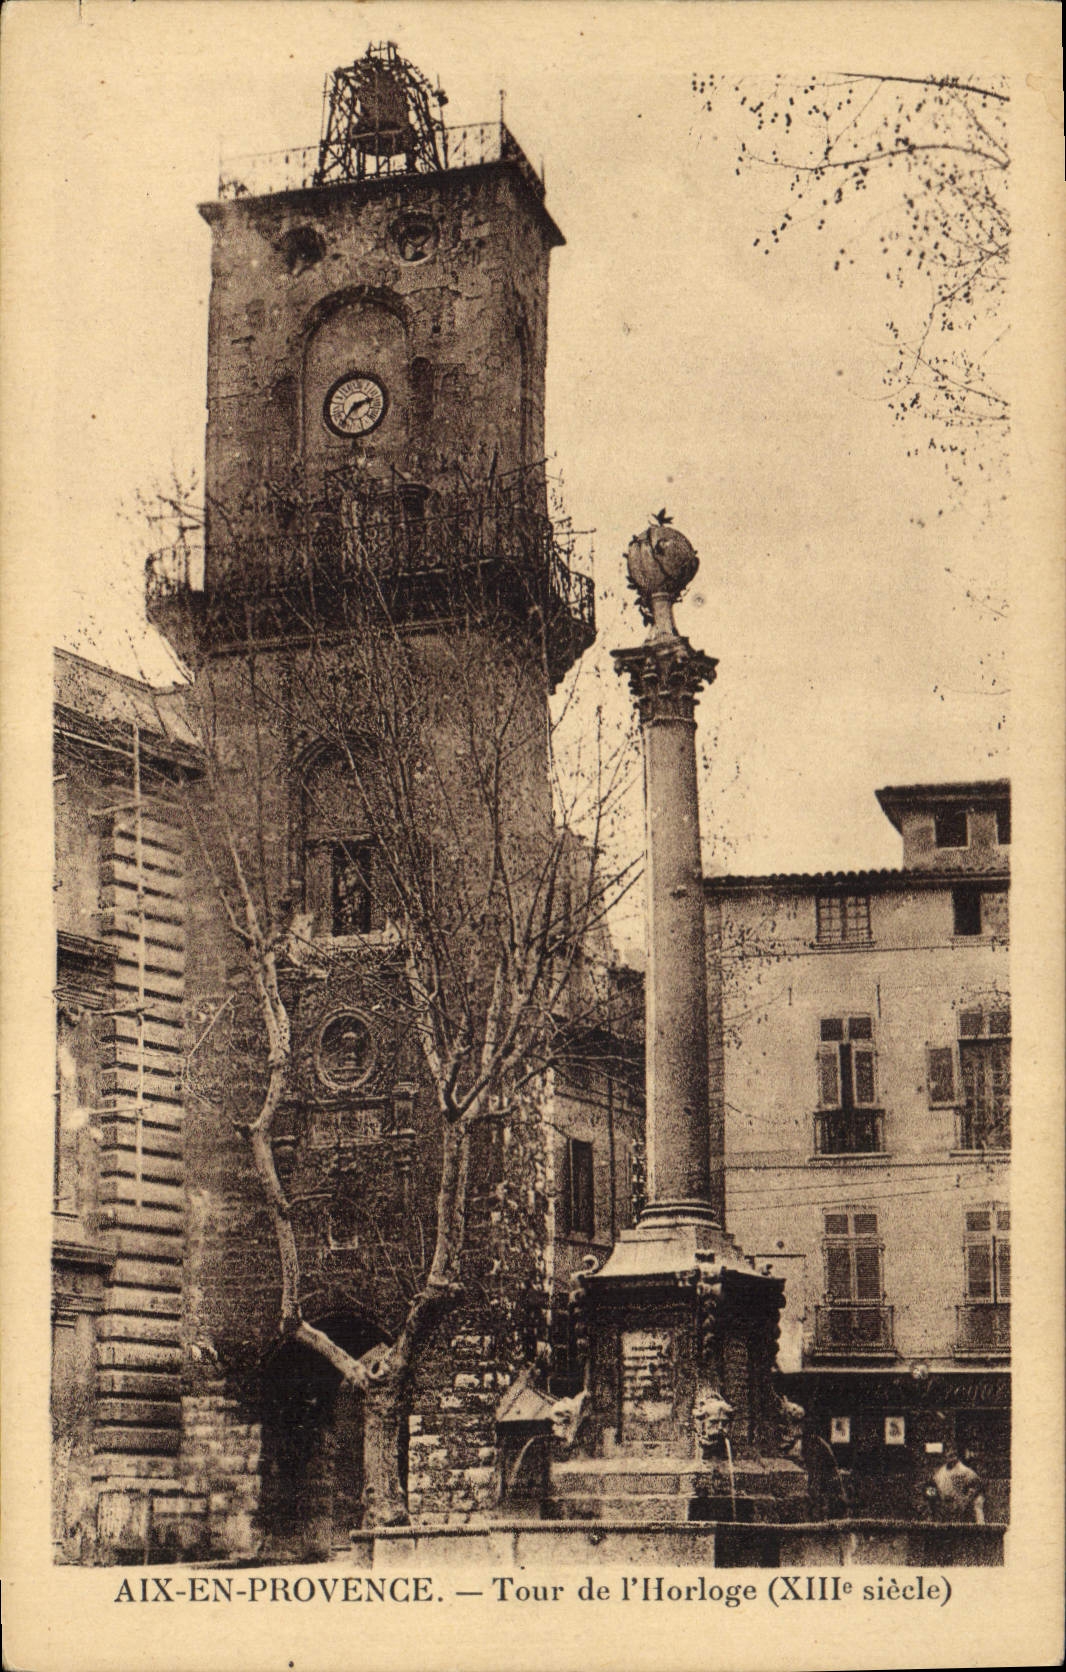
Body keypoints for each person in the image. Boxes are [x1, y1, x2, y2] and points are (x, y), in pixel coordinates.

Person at [931, 1445, 986, 1523]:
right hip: (948, 1505)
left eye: (953, 1454)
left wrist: (965, 1499)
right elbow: (934, 1486)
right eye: (948, 1454)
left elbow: (976, 1486)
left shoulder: (964, 1471)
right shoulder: (940, 1473)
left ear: (956, 1456)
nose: (951, 1457)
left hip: (965, 1504)